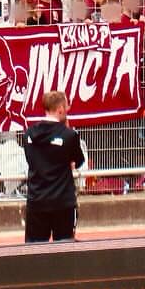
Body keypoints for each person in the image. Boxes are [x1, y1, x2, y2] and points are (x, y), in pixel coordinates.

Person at [20, 90, 85, 242]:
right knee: (64, 250)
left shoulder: (29, 134)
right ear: (60, 108)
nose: (68, 111)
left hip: (37, 200)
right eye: (67, 107)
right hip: (62, 202)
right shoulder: (69, 136)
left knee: (35, 249)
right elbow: (79, 161)